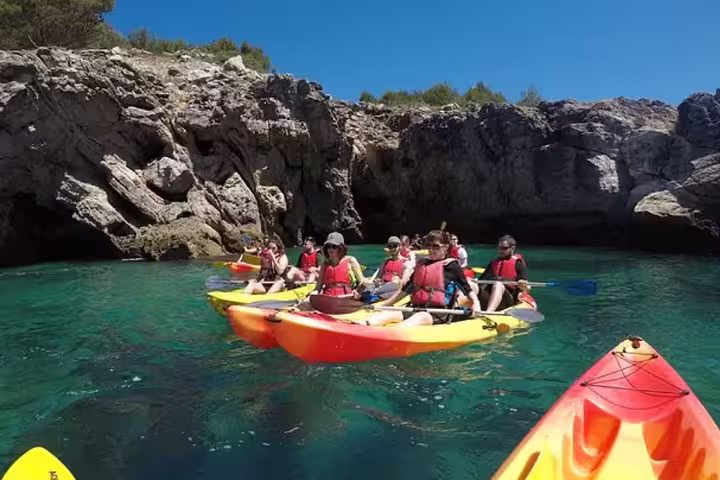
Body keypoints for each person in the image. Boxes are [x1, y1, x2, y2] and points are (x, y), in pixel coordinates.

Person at [366, 230, 482, 327]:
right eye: (429, 246)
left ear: (446, 247)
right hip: (415, 308)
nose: (431, 250)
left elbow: (467, 289)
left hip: (437, 313)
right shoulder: (421, 264)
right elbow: (406, 290)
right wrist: (385, 304)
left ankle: (391, 334)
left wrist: (476, 303)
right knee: (388, 314)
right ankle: (362, 326)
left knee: (421, 317)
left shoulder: (451, 266)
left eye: (435, 247)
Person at [476, 234, 529, 312]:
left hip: (507, 299)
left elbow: (526, 287)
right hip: (489, 296)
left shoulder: (518, 263)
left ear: (512, 248)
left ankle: (488, 312)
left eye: (504, 248)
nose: (500, 250)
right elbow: (480, 282)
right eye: (499, 248)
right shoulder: (493, 263)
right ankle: (466, 310)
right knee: (472, 285)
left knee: (498, 284)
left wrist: (523, 285)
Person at [312, 232, 372, 296]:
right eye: (328, 246)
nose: (330, 249)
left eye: (334, 246)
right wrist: (312, 296)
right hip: (328, 297)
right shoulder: (324, 264)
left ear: (340, 248)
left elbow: (362, 281)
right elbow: (318, 288)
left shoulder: (350, 261)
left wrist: (358, 291)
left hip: (346, 297)